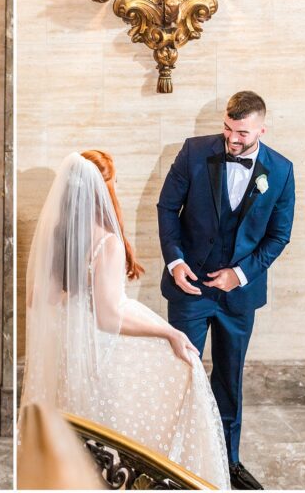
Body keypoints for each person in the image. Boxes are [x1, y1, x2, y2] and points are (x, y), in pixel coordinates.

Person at [21, 149, 230, 489]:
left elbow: (38, 299)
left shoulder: (60, 235)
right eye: (114, 181)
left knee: (80, 435)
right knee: (187, 371)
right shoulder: (107, 242)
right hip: (100, 347)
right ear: (103, 189)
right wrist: (169, 332)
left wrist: (75, 297)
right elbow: (108, 316)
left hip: (69, 349)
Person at [157, 91, 295, 490]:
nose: (232, 140)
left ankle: (228, 462)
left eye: (242, 133)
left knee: (229, 379)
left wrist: (240, 274)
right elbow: (167, 209)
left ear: (261, 129)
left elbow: (278, 236)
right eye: (228, 130)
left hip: (239, 298)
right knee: (183, 375)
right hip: (190, 289)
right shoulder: (193, 152)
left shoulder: (281, 171)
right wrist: (176, 261)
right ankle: (174, 461)